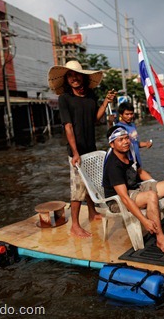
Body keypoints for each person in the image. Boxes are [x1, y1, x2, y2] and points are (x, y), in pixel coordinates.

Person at [48, 60, 117, 238]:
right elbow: (68, 127)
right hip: (76, 151)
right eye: (70, 75)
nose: (74, 78)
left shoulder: (91, 96)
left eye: (76, 75)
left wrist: (106, 102)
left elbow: (95, 119)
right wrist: (75, 152)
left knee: (90, 184)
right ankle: (75, 226)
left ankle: (93, 213)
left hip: (90, 146)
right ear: (66, 80)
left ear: (83, 76)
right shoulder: (65, 98)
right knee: (77, 188)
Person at [102, 125, 164, 254]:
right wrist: (144, 221)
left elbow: (139, 172)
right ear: (112, 144)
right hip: (117, 200)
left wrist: (155, 184)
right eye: (120, 140)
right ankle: (160, 239)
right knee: (151, 196)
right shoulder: (113, 165)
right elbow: (124, 198)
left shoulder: (130, 151)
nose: (125, 142)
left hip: (134, 187)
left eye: (126, 138)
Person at [116, 102, 153, 167]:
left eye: (131, 114)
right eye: (127, 114)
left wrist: (145, 144)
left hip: (137, 160)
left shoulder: (132, 125)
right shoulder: (118, 128)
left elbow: (134, 142)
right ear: (121, 115)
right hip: (128, 162)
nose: (130, 116)